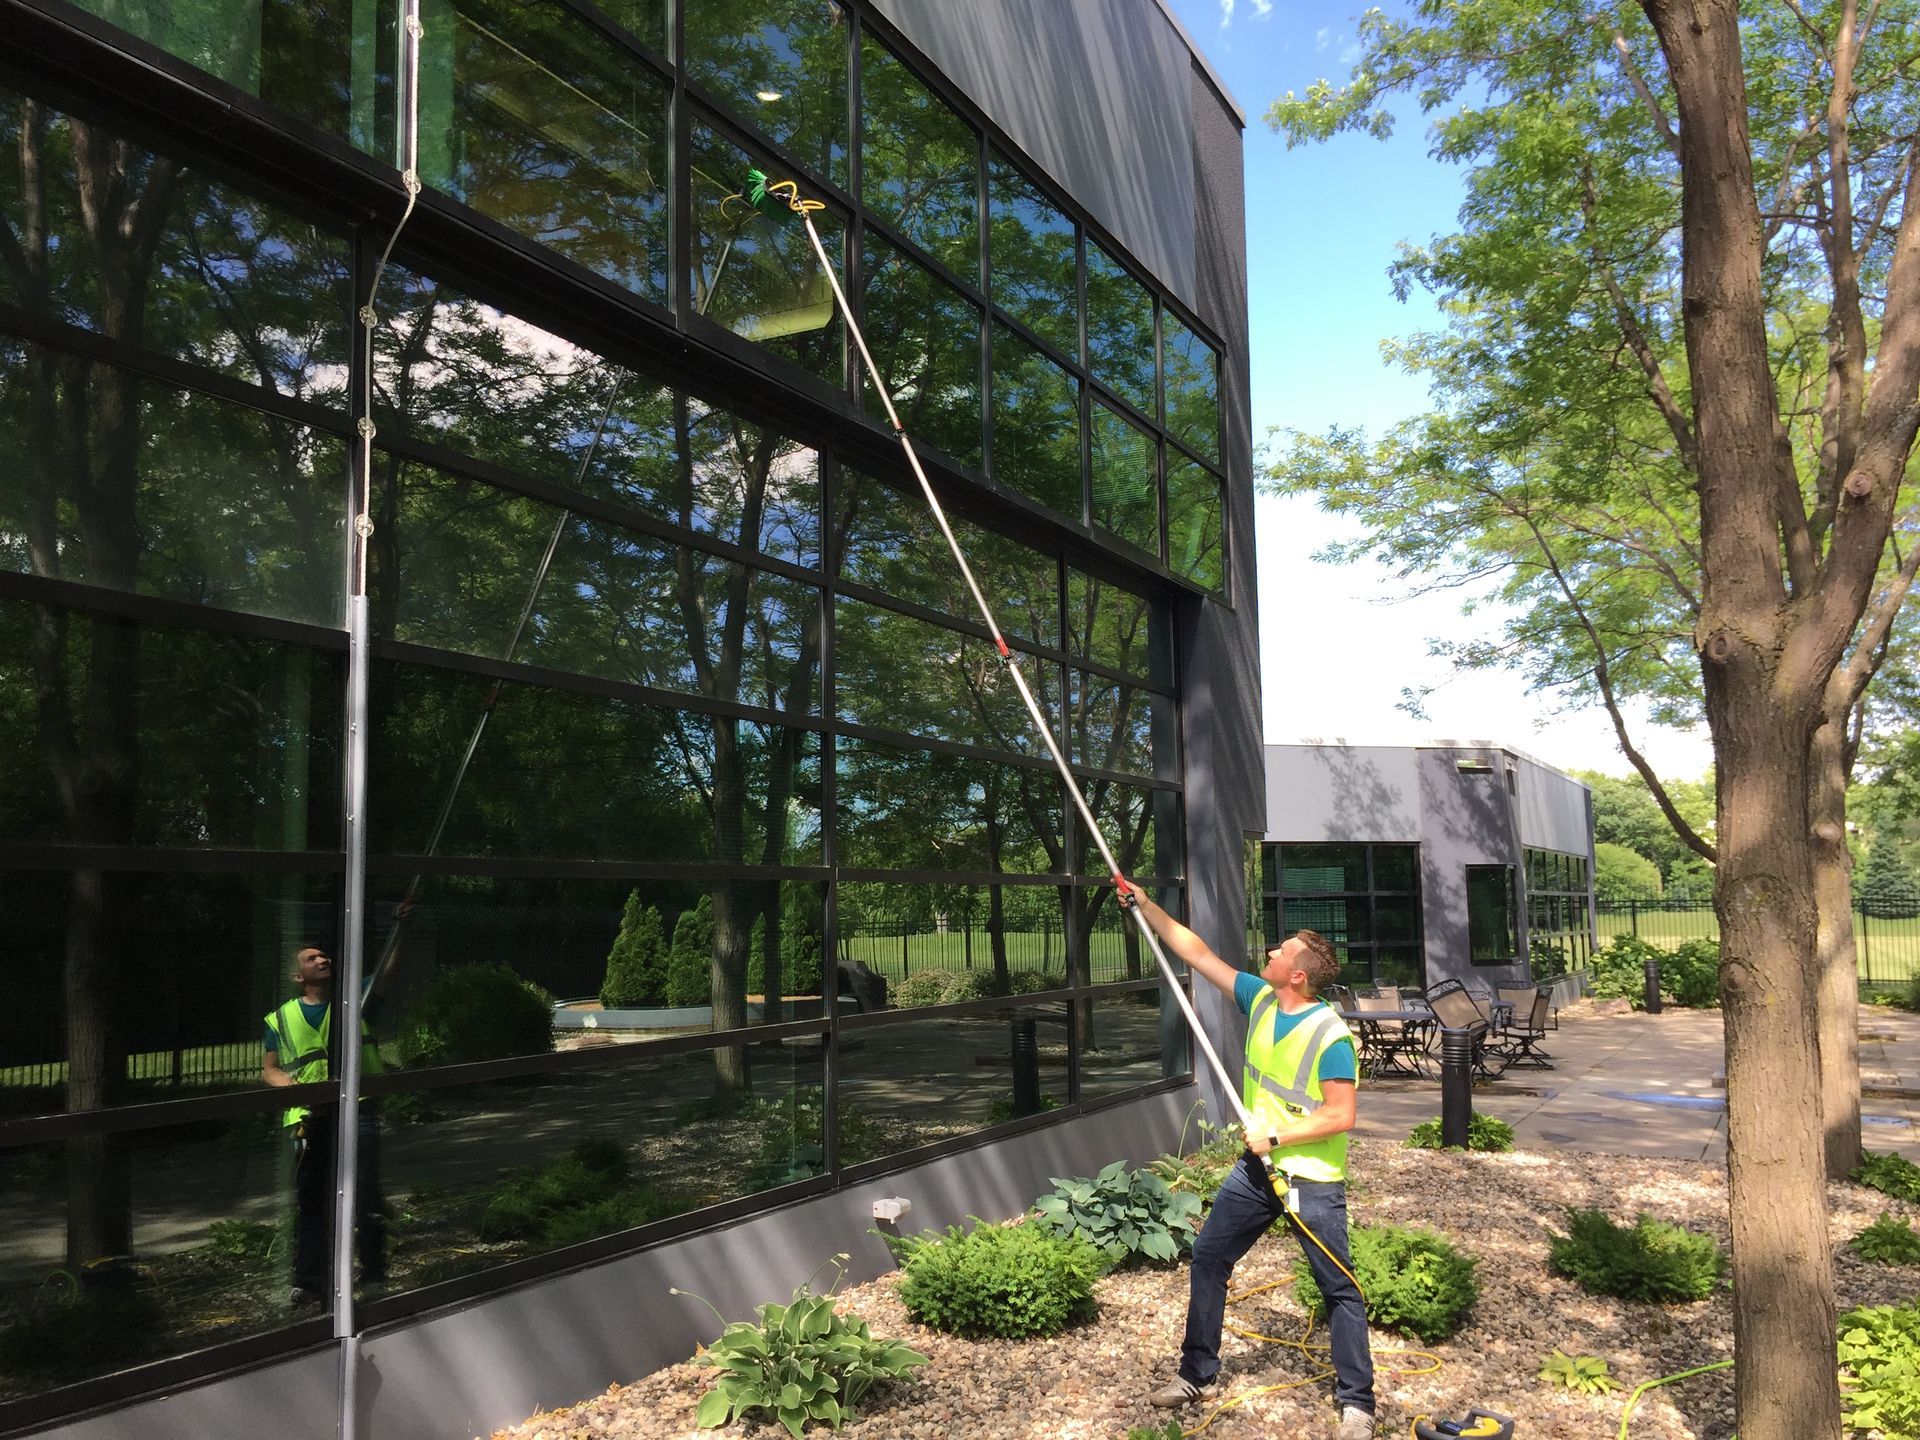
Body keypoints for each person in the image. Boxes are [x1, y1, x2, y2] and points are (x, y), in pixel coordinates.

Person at [1121, 886, 1375, 1440]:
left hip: (1310, 1177)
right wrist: (1145, 904)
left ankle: (1357, 1403)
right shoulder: (1260, 999)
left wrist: (1277, 1135)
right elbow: (1197, 953)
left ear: (1299, 975)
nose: (1269, 955)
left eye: (1280, 953)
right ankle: (1197, 1374)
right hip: (1256, 1171)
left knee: (1337, 1287)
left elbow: (1341, 1115)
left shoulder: (1330, 1035)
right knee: (1209, 1256)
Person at [262, 940, 389, 1306]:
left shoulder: (355, 1002)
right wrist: (299, 1091)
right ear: (297, 975)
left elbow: (386, 975)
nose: (323, 959)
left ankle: (374, 1274)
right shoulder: (282, 1018)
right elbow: (270, 1070)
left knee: (365, 1196)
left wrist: (402, 929)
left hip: (357, 1110)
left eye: (324, 955)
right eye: (312, 958)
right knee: (312, 1202)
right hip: (308, 1119)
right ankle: (308, 1281)